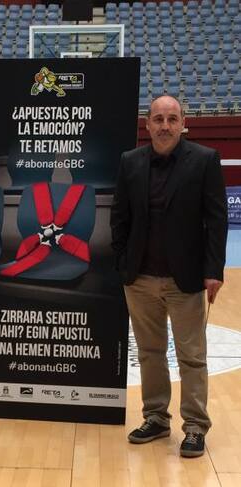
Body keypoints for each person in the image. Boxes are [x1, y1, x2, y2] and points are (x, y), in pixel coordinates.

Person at [111, 95, 227, 458]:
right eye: (158, 119)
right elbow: (119, 217)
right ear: (147, 124)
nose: (165, 125)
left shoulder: (205, 160)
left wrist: (213, 270)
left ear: (183, 123)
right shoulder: (130, 162)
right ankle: (157, 418)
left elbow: (216, 219)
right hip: (140, 278)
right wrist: (123, 264)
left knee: (191, 356)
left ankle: (195, 427)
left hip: (185, 279)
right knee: (150, 353)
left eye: (172, 119)